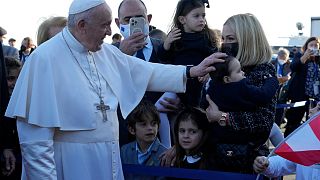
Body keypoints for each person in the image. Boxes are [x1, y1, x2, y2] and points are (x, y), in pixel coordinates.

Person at [5, 0, 224, 179]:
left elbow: (145, 71)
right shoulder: (44, 59)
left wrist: (190, 72)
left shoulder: (102, 52)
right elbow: (35, 145)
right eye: (104, 25)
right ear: (82, 25)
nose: (110, 32)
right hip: (71, 167)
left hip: (107, 163)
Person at [158, 0, 217, 107]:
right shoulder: (175, 37)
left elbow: (215, 58)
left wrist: (209, 73)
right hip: (177, 85)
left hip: (200, 86)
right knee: (162, 108)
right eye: (196, 16)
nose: (201, 20)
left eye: (203, 16)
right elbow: (163, 58)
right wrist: (166, 44)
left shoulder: (207, 37)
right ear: (182, 19)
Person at [253, 102, 320, 179]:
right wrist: (266, 163)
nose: (311, 110)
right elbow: (284, 162)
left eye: (319, 109)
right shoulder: (306, 142)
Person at [202, 55, 278, 112]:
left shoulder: (212, 88)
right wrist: (272, 80)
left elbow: (205, 105)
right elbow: (263, 95)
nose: (243, 72)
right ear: (227, 79)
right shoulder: (242, 87)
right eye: (238, 71)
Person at [121, 100, 167, 179]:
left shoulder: (164, 154)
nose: (150, 128)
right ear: (132, 130)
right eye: (143, 124)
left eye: (153, 123)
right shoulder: (125, 150)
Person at [285, 37, 320, 137]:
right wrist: (305, 57)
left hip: (314, 96)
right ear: (306, 46)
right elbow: (293, 67)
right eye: (311, 45)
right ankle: (287, 144)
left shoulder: (318, 59)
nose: (313, 47)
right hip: (299, 95)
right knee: (294, 121)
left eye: (316, 45)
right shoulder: (300, 55)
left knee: (312, 123)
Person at [271, 48, 292, 126]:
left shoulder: (290, 65)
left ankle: (278, 124)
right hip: (272, 91)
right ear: (278, 56)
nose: (282, 60)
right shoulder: (271, 63)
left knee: (280, 114)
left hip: (283, 93)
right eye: (281, 58)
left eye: (285, 58)